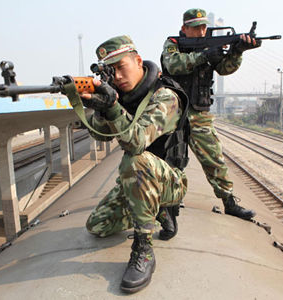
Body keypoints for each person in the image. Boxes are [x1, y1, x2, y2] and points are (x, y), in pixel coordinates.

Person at [81, 35, 189, 293]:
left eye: (121, 67)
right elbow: (98, 134)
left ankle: (143, 250)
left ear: (138, 61)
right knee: (97, 225)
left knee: (135, 158)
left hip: (169, 180)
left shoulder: (165, 96)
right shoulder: (122, 97)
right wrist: (98, 107)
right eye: (111, 71)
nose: (117, 76)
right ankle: (156, 210)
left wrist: (113, 107)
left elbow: (136, 142)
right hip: (140, 181)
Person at [159, 8, 259, 239]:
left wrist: (237, 52)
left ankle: (229, 201)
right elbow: (173, 64)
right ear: (184, 28)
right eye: (195, 27)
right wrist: (204, 55)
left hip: (199, 112)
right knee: (171, 159)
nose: (201, 31)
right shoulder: (173, 43)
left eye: (203, 26)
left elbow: (225, 69)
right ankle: (168, 206)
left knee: (214, 158)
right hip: (173, 112)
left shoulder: (210, 45)